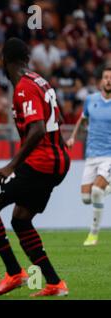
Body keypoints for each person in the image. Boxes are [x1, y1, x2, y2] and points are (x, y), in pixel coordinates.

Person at [0, 38, 70, 297]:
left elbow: (38, 128)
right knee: (21, 220)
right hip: (57, 161)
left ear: (4, 60)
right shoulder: (39, 80)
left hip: (40, 163)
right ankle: (54, 283)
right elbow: (58, 118)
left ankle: (14, 273)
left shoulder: (23, 88)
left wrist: (10, 165)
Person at [66, 66, 111, 246]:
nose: (109, 80)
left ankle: (93, 234)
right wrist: (72, 137)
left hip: (109, 155)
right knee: (86, 198)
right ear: (101, 81)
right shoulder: (91, 100)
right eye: (106, 77)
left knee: (97, 191)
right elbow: (82, 119)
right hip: (91, 155)